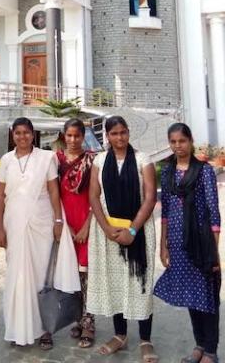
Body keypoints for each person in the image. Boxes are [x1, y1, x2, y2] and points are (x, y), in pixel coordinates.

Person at [0, 117, 80, 349]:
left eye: (26, 133)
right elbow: (0, 196)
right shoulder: (6, 160)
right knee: (17, 276)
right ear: (12, 136)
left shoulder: (46, 157)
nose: (22, 137)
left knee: (42, 279)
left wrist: (58, 220)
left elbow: (54, 191)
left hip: (42, 224)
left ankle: (45, 330)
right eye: (17, 133)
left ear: (33, 135)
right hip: (14, 224)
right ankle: (17, 327)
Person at [87, 116, 157, 362]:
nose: (120, 138)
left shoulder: (142, 159)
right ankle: (120, 334)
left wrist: (133, 231)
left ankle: (146, 339)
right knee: (116, 282)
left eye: (123, 132)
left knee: (140, 284)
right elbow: (94, 196)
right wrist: (106, 228)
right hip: (108, 233)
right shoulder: (99, 160)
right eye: (114, 133)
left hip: (138, 232)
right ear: (107, 135)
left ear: (129, 133)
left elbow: (149, 198)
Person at [154, 123, 221, 363]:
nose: (177, 146)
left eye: (181, 141)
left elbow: (214, 212)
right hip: (177, 243)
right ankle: (199, 345)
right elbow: (165, 212)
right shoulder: (168, 171)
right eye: (173, 142)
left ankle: (211, 351)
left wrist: (214, 251)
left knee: (207, 295)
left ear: (190, 141)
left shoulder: (203, 171)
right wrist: (163, 245)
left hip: (201, 243)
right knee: (192, 296)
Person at [56, 118, 95, 348]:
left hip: (87, 224)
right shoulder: (57, 160)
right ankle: (78, 319)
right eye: (69, 136)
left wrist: (87, 225)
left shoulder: (92, 160)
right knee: (73, 276)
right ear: (63, 136)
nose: (72, 140)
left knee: (87, 275)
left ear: (83, 136)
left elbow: (97, 195)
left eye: (77, 136)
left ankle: (89, 324)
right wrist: (65, 226)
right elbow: (54, 195)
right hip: (66, 224)